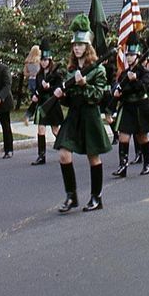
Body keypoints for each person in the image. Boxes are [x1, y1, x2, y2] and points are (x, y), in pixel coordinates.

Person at [53, 14, 112, 212]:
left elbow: (98, 96)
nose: (77, 48)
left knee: (93, 157)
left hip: (90, 116)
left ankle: (97, 197)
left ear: (87, 47)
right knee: (63, 154)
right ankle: (71, 196)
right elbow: (70, 100)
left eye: (80, 44)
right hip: (74, 116)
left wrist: (84, 84)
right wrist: (61, 95)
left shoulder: (98, 70)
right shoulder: (70, 70)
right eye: (74, 45)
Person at [112, 32, 149, 177]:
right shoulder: (124, 73)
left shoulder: (145, 72)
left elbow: (144, 87)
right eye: (128, 55)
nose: (129, 57)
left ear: (138, 56)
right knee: (123, 137)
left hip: (140, 106)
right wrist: (117, 93)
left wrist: (134, 80)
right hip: (127, 107)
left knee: (142, 137)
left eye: (132, 55)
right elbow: (120, 88)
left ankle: (147, 164)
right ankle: (123, 166)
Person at [30, 39, 64, 165]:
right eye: (42, 60)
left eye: (46, 60)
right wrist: (34, 96)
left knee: (55, 130)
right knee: (41, 130)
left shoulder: (55, 74)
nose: (44, 63)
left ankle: (64, 148)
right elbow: (36, 89)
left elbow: (60, 88)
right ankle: (41, 156)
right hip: (42, 105)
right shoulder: (39, 74)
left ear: (49, 61)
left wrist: (49, 86)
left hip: (52, 103)